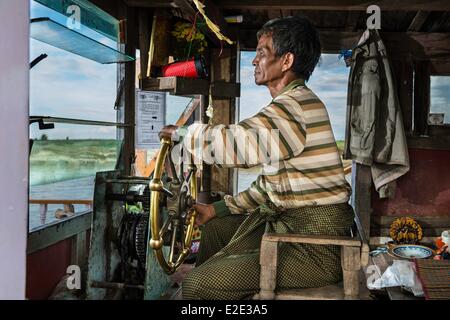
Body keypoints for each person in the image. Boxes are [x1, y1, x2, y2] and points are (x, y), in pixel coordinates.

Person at [159, 15, 353, 300]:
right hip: (290, 227)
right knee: (213, 228)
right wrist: (218, 210)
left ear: (286, 61)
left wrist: (185, 134)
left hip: (312, 246)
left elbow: (239, 144)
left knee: (195, 286)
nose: (254, 61)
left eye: (261, 53)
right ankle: (221, 289)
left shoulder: (294, 108)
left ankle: (208, 290)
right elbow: (269, 188)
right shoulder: (290, 106)